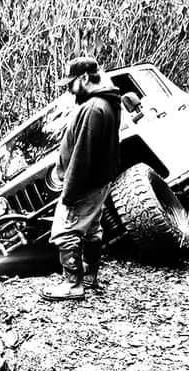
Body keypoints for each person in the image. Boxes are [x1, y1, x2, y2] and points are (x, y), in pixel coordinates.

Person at [40, 56, 121, 301]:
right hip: (98, 183)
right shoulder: (107, 102)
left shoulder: (93, 108)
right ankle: (89, 276)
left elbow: (82, 156)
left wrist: (69, 194)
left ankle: (73, 285)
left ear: (85, 78)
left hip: (84, 184)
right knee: (91, 229)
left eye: (71, 83)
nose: (68, 88)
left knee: (65, 232)